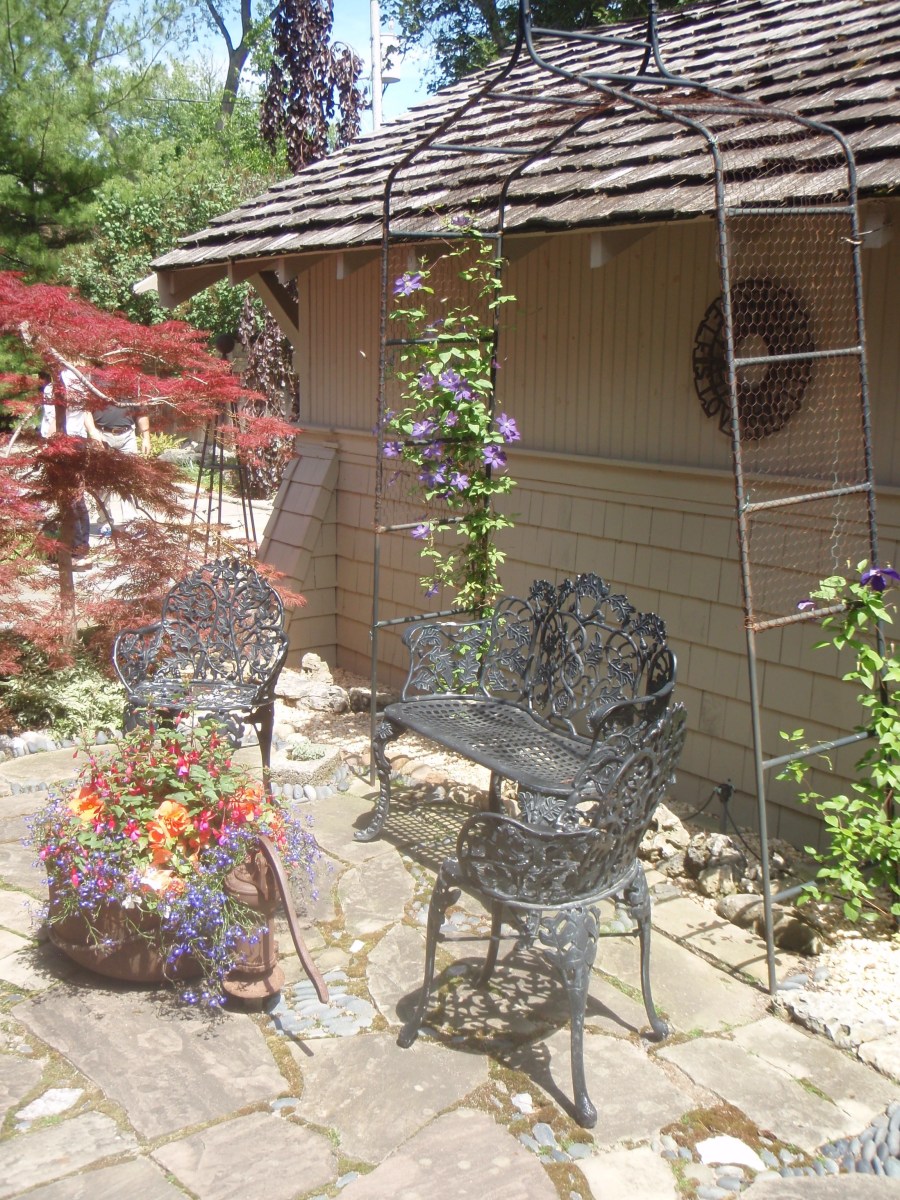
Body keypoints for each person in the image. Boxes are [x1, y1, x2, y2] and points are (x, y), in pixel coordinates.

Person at [92, 403, 151, 530]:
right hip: (101, 435)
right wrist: (92, 432)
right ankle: (105, 520)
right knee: (102, 481)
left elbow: (141, 412)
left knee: (130, 479)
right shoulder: (93, 384)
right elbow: (85, 411)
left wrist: (146, 438)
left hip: (127, 436)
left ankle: (131, 522)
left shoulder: (134, 386)